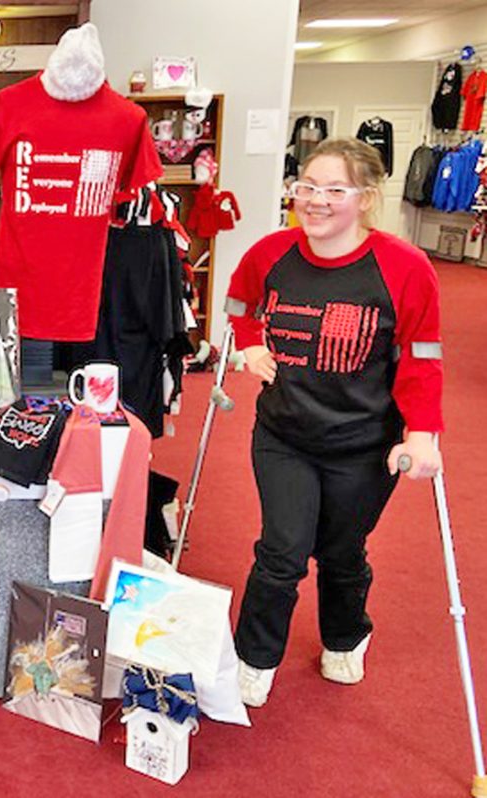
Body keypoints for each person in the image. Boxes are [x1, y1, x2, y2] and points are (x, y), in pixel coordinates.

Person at [226, 138, 443, 708]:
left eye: (334, 190)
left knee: (342, 553)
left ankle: (346, 636)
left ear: (366, 198)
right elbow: (239, 303)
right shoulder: (271, 253)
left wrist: (421, 433)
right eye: (306, 187)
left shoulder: (405, 267)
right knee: (282, 551)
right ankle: (254, 655)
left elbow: (422, 357)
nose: (315, 200)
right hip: (284, 435)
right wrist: (248, 345)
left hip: (363, 444)